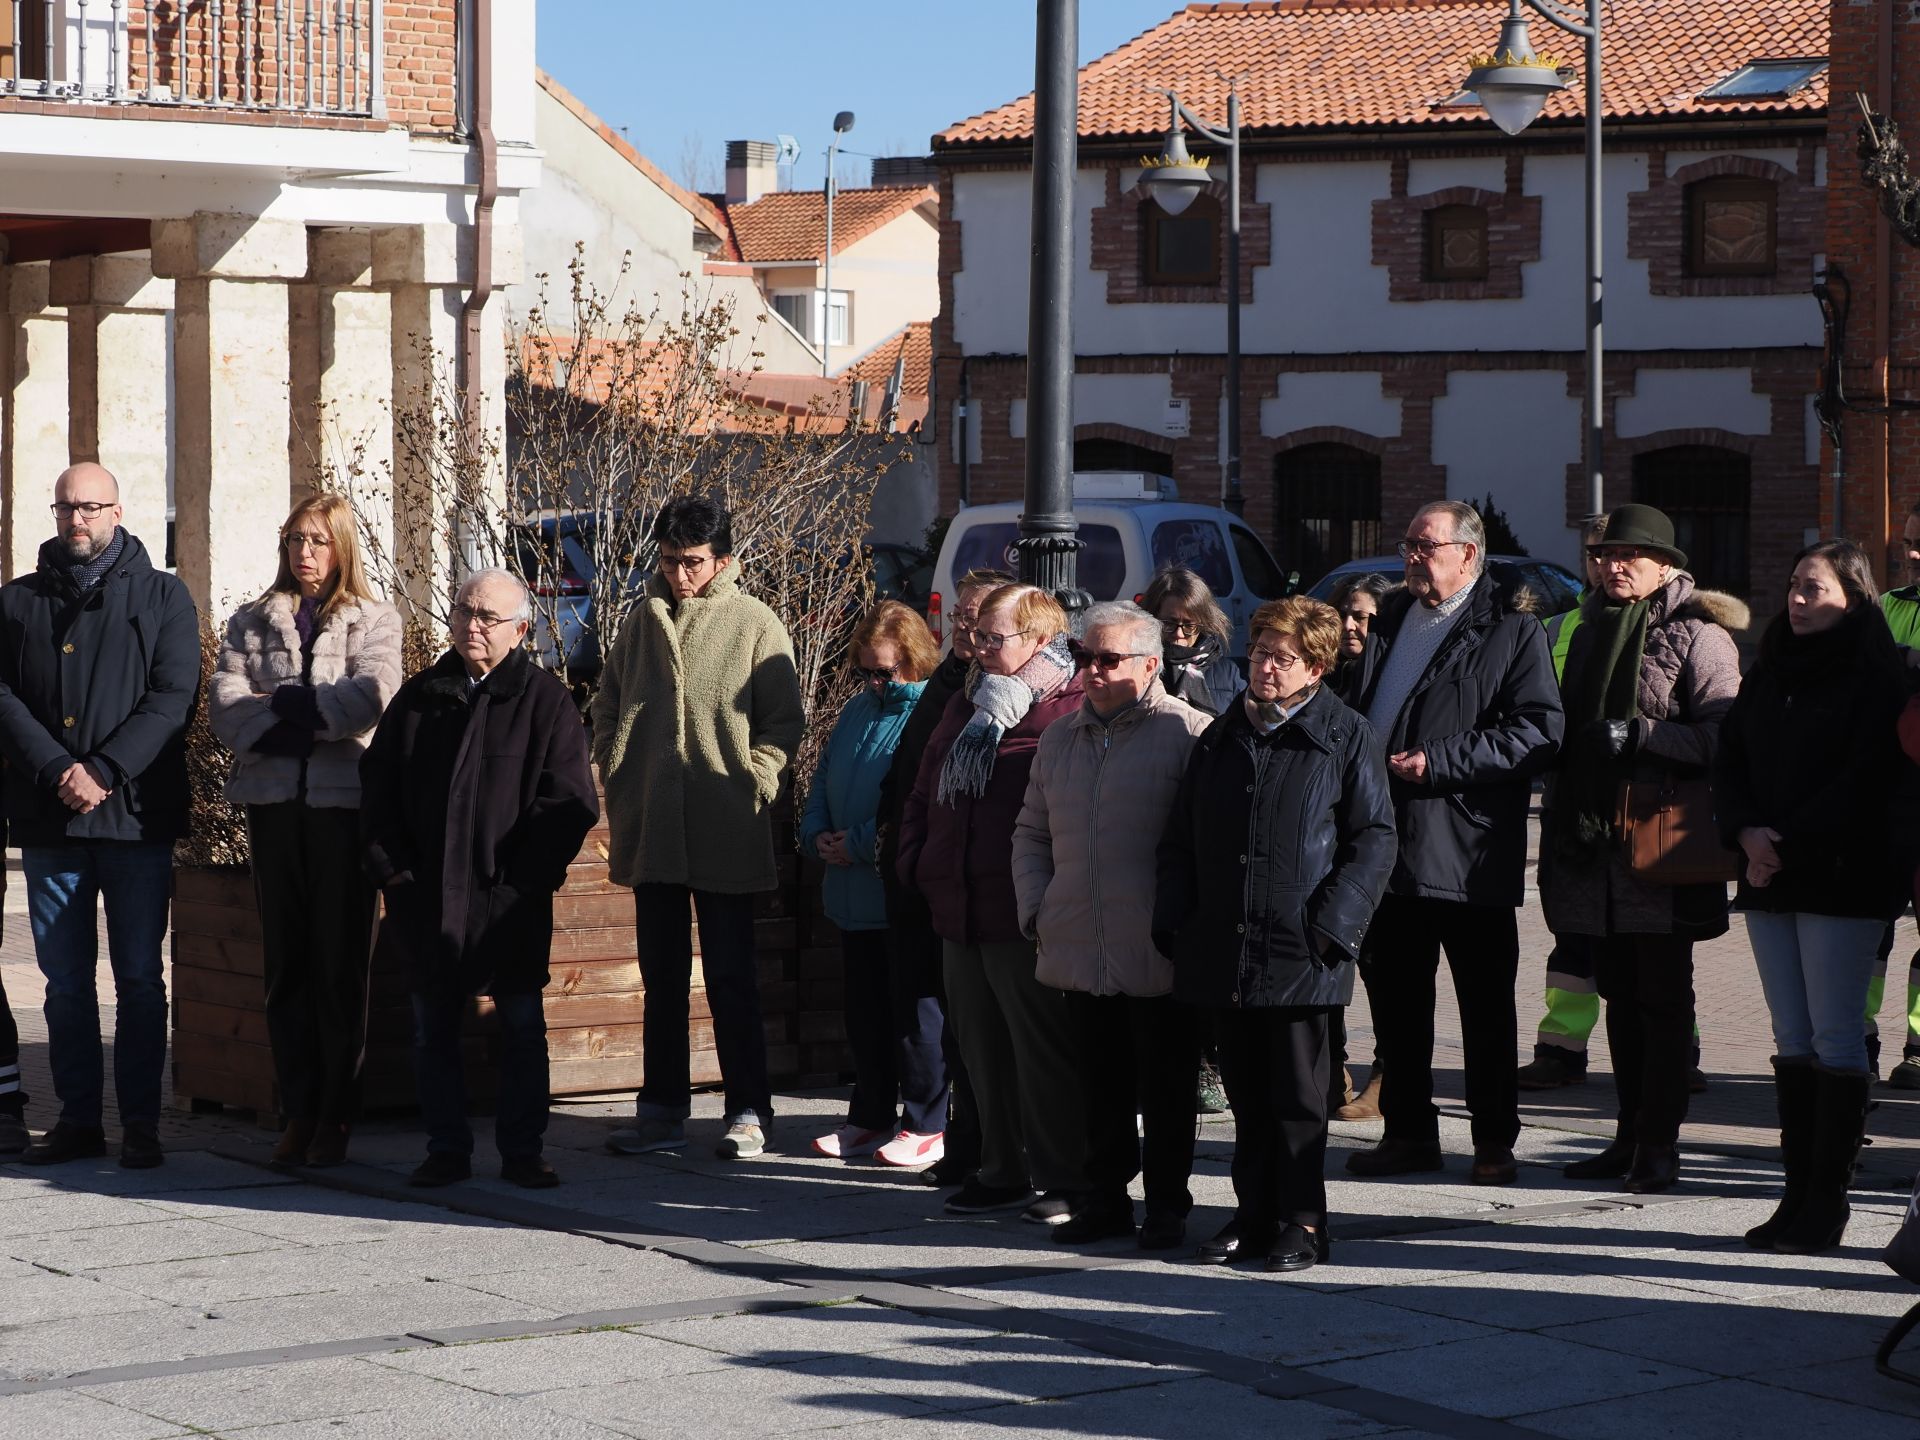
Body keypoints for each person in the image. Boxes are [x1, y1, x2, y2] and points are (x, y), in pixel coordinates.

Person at [1157, 597, 1396, 1270]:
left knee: (1297, 1098)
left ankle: (1304, 1221)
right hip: (1224, 945)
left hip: (1300, 949)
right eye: (1259, 652)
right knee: (1246, 1095)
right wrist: (1178, 918)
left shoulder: (1344, 735)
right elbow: (1180, 837)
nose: (1265, 667)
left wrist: (1331, 929)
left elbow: (1373, 840)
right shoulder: (1222, 735)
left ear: (1315, 667)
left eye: (1282, 658)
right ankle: (1251, 1214)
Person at [1345, 500, 1563, 1186]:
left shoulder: (1509, 630)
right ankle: (1409, 1136)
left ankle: (1494, 1142)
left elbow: (1538, 731)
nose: (1411, 556)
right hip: (1386, 844)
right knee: (1398, 1008)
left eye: (1426, 546)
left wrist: (1440, 762)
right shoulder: (1390, 619)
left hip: (1465, 849)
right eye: (1407, 543)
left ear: (1469, 555)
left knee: (1485, 1009)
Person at [361, 569, 598, 1188]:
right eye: (464, 611)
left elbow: (569, 802)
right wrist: (397, 877)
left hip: (509, 901)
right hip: (427, 899)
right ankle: (446, 1148)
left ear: (520, 629)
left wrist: (522, 883)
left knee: (520, 1024)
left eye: (487, 617)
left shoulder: (546, 701)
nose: (472, 625)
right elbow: (378, 793)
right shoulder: (420, 697)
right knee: (431, 1027)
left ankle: (523, 1150)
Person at [594, 497, 805, 1162]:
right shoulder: (642, 621)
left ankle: (748, 1111)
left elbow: (783, 720)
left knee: (731, 978)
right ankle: (660, 1112)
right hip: (653, 823)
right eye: (669, 562)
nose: (680, 575)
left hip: (724, 823)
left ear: (724, 562)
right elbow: (605, 704)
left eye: (693, 563)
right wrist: (617, 767)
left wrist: (757, 779)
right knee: (660, 978)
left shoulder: (754, 624)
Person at [0, 463, 198, 1169]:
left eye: (89, 507)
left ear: (118, 511)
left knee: (141, 979)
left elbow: (174, 698)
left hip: (133, 821)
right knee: (64, 983)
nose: (76, 520)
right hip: (50, 820)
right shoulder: (16, 602)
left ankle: (139, 1124)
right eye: (64, 508)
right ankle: (79, 1120)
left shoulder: (163, 596)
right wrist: (58, 770)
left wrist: (105, 771)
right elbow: (4, 700)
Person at [1541, 504, 1743, 1194]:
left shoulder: (1700, 637)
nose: (1612, 566)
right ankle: (1627, 1135)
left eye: (1630, 555)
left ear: (1666, 566)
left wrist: (1642, 737)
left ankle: (1660, 1144)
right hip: (1594, 848)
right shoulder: (1585, 624)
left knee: (1660, 1001)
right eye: (1603, 554)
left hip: (1661, 850)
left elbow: (1726, 741)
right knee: (1619, 1000)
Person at [1717, 540, 1912, 1252]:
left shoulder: (1873, 675)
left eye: (1816, 589)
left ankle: (1828, 1201)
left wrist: (1781, 844)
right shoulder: (1771, 665)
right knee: (1791, 1038)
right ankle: (1795, 1194)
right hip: (1767, 869)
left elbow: (1867, 779)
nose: (1798, 600)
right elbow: (1731, 753)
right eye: (1795, 585)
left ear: (1854, 598)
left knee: (1835, 1037)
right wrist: (1744, 832)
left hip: (1840, 875)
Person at [208, 494, 403, 1168]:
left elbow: (368, 700)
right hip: (272, 809)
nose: (305, 554)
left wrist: (285, 707)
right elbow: (227, 709)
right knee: (286, 963)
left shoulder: (375, 620)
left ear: (342, 546)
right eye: (295, 540)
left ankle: (336, 1115)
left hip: (342, 814)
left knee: (338, 964)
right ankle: (297, 1109)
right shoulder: (252, 621)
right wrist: (308, 718)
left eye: (318, 541)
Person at [1011, 601, 1209, 1249]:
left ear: (1151, 665)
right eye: (1082, 656)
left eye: (1108, 659)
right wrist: (1039, 906)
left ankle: (1169, 1207)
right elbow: (1030, 832)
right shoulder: (1060, 737)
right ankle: (1105, 1201)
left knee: (1167, 1086)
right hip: (1078, 943)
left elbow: (1207, 846)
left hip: (1156, 946)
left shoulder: (1190, 735)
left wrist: (1182, 925)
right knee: (1098, 1085)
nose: (1091, 671)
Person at [898, 582, 1089, 1224]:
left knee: (1041, 1054)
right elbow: (924, 789)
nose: (978, 649)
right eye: (976, 635)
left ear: (1039, 639)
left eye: (993, 637)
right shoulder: (966, 702)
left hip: (1023, 914)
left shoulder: (1068, 708)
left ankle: (1062, 1176)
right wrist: (918, 860)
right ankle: (1001, 1170)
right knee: (979, 1052)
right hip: (959, 907)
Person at [802, 600, 949, 1168]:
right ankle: (869, 1115)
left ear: (913, 662)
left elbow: (915, 804)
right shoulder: (856, 712)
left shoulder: (928, 715)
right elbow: (822, 780)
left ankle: (925, 1122)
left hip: (894, 889)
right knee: (863, 1014)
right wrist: (815, 832)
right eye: (866, 669)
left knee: (914, 1016)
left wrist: (860, 844)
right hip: (849, 891)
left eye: (885, 670)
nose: (874, 680)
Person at [877, 568, 1010, 1188]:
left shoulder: (1004, 694)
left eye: (978, 622)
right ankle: (960, 1143)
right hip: (927, 873)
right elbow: (914, 776)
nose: (965, 631)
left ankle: (986, 1149)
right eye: (958, 618)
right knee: (941, 1017)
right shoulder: (950, 685)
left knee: (979, 1032)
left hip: (976, 887)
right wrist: (903, 851)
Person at [1326, 569, 1396, 1120]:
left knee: (1382, 968)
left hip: (1374, 840)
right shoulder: (1326, 673)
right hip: (1325, 840)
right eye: (1346, 614)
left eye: (1364, 617)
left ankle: (1385, 1076)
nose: (1352, 625)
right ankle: (1331, 1069)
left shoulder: (1390, 677)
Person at [1873, 499, 1920, 1090]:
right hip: (1887, 794)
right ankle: (1855, 1038)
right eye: (1909, 542)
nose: (1911, 555)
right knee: (1868, 926)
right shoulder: (1885, 607)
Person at [1143, 567, 1242, 717]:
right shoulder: (1139, 668)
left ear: (1204, 624)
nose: (1179, 633)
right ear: (1152, 618)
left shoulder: (1227, 674)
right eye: (1169, 623)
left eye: (1189, 625)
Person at [1327, 571, 1393, 707]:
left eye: (1360, 617)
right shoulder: (1317, 669)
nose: (1347, 625)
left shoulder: (1390, 672)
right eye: (1342, 615)